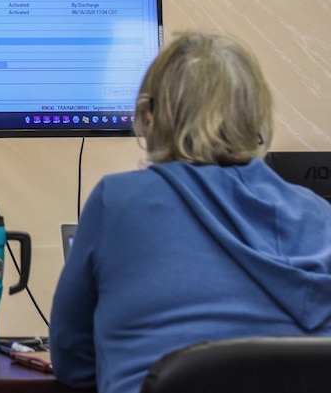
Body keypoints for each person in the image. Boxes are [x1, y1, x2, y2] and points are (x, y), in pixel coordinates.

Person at [50, 31, 331, 393]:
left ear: (149, 117)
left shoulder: (116, 201)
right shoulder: (321, 217)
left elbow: (72, 362)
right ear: (256, 117)